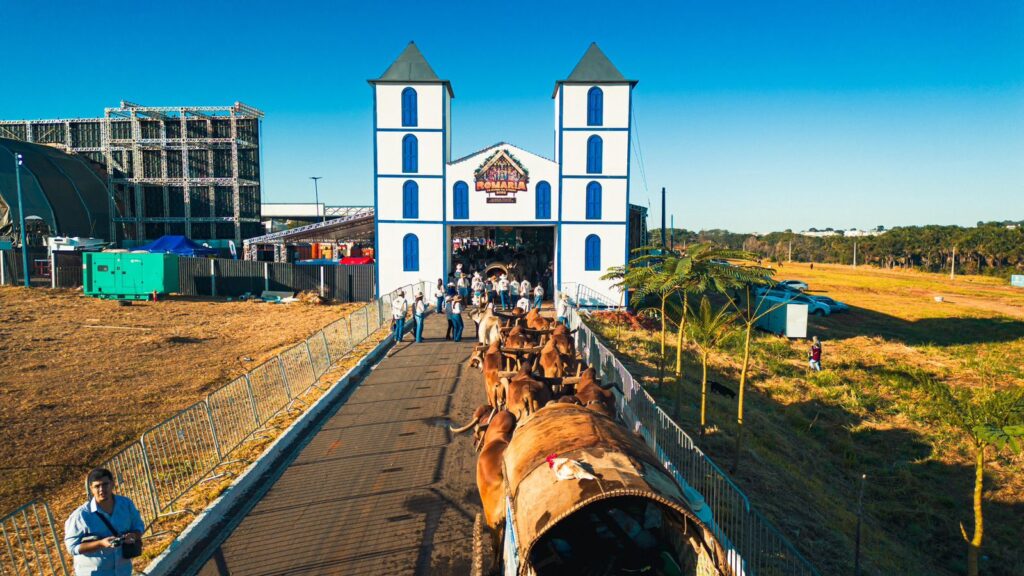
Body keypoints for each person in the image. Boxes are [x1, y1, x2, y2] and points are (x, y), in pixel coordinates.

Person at [65, 468, 145, 576]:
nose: (101, 489)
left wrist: (134, 535)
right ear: (91, 488)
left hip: (123, 571)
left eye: (105, 484)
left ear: (112, 484)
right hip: (95, 573)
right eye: (97, 486)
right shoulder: (81, 515)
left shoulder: (126, 504)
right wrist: (100, 543)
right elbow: (72, 547)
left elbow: (138, 526)